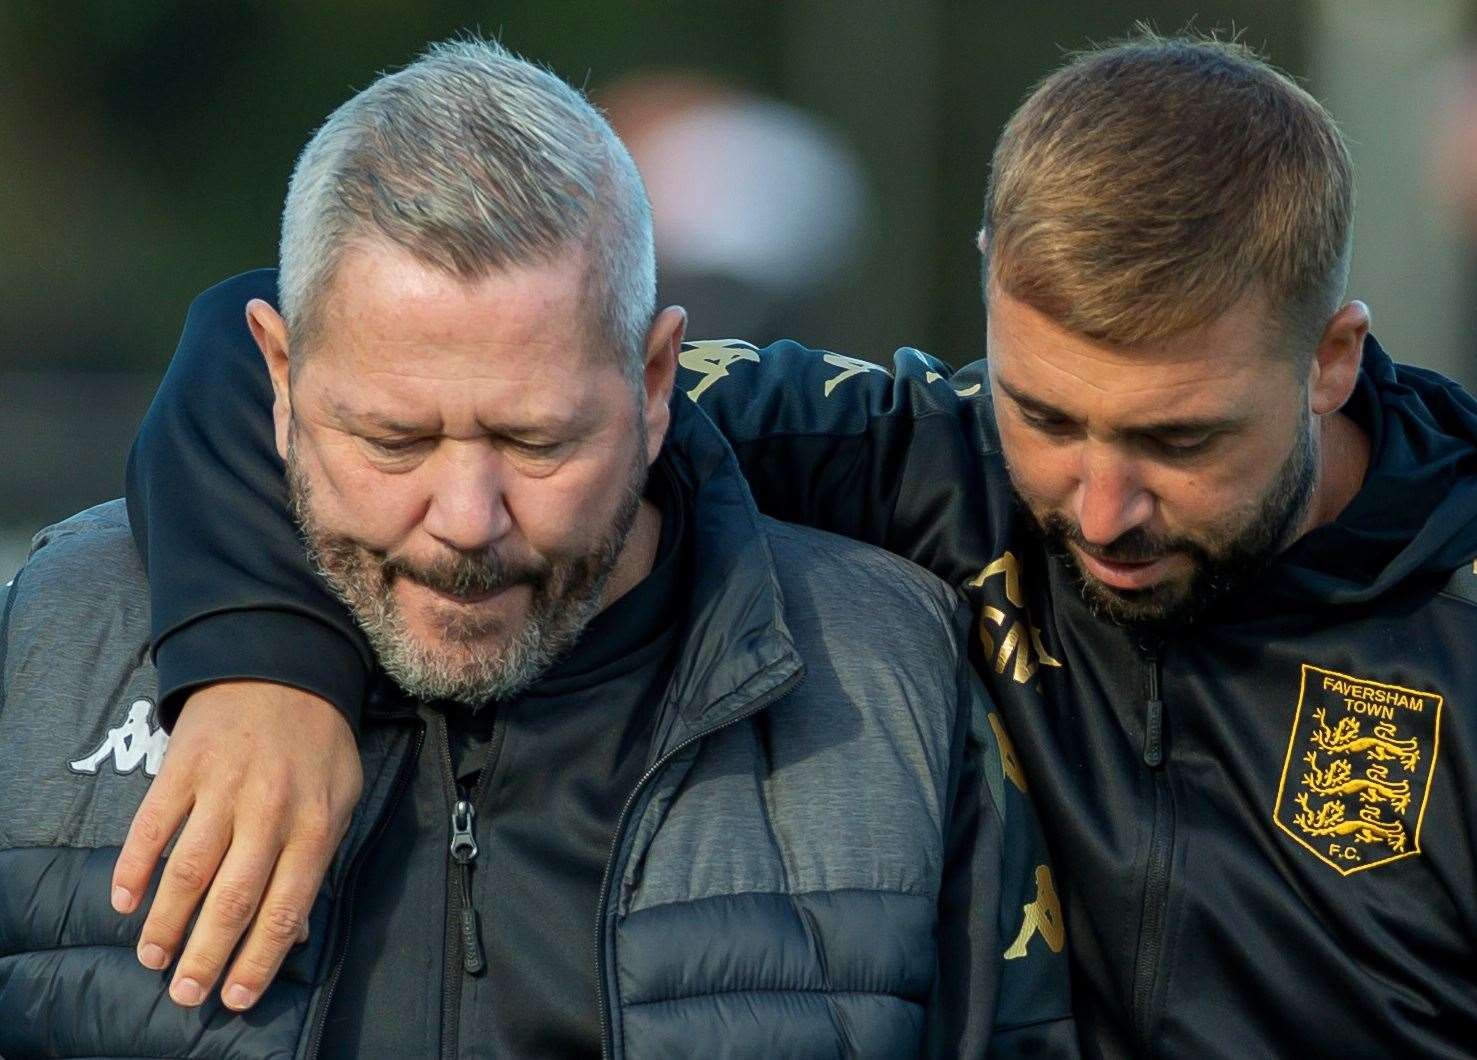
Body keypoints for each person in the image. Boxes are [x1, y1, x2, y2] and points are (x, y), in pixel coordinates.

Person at [99, 26, 1477, 1057]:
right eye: (1046, 414)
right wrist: (264, 668)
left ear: (1330, 359)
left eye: (1180, 443)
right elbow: (263, 339)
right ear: (990, 287)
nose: (1100, 508)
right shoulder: (908, 456)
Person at [0, 38, 1074, 1058]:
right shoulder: (54, 642)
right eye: (393, 439)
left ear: (656, 384)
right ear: (277, 381)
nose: (468, 515)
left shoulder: (894, 675)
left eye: (537, 440)